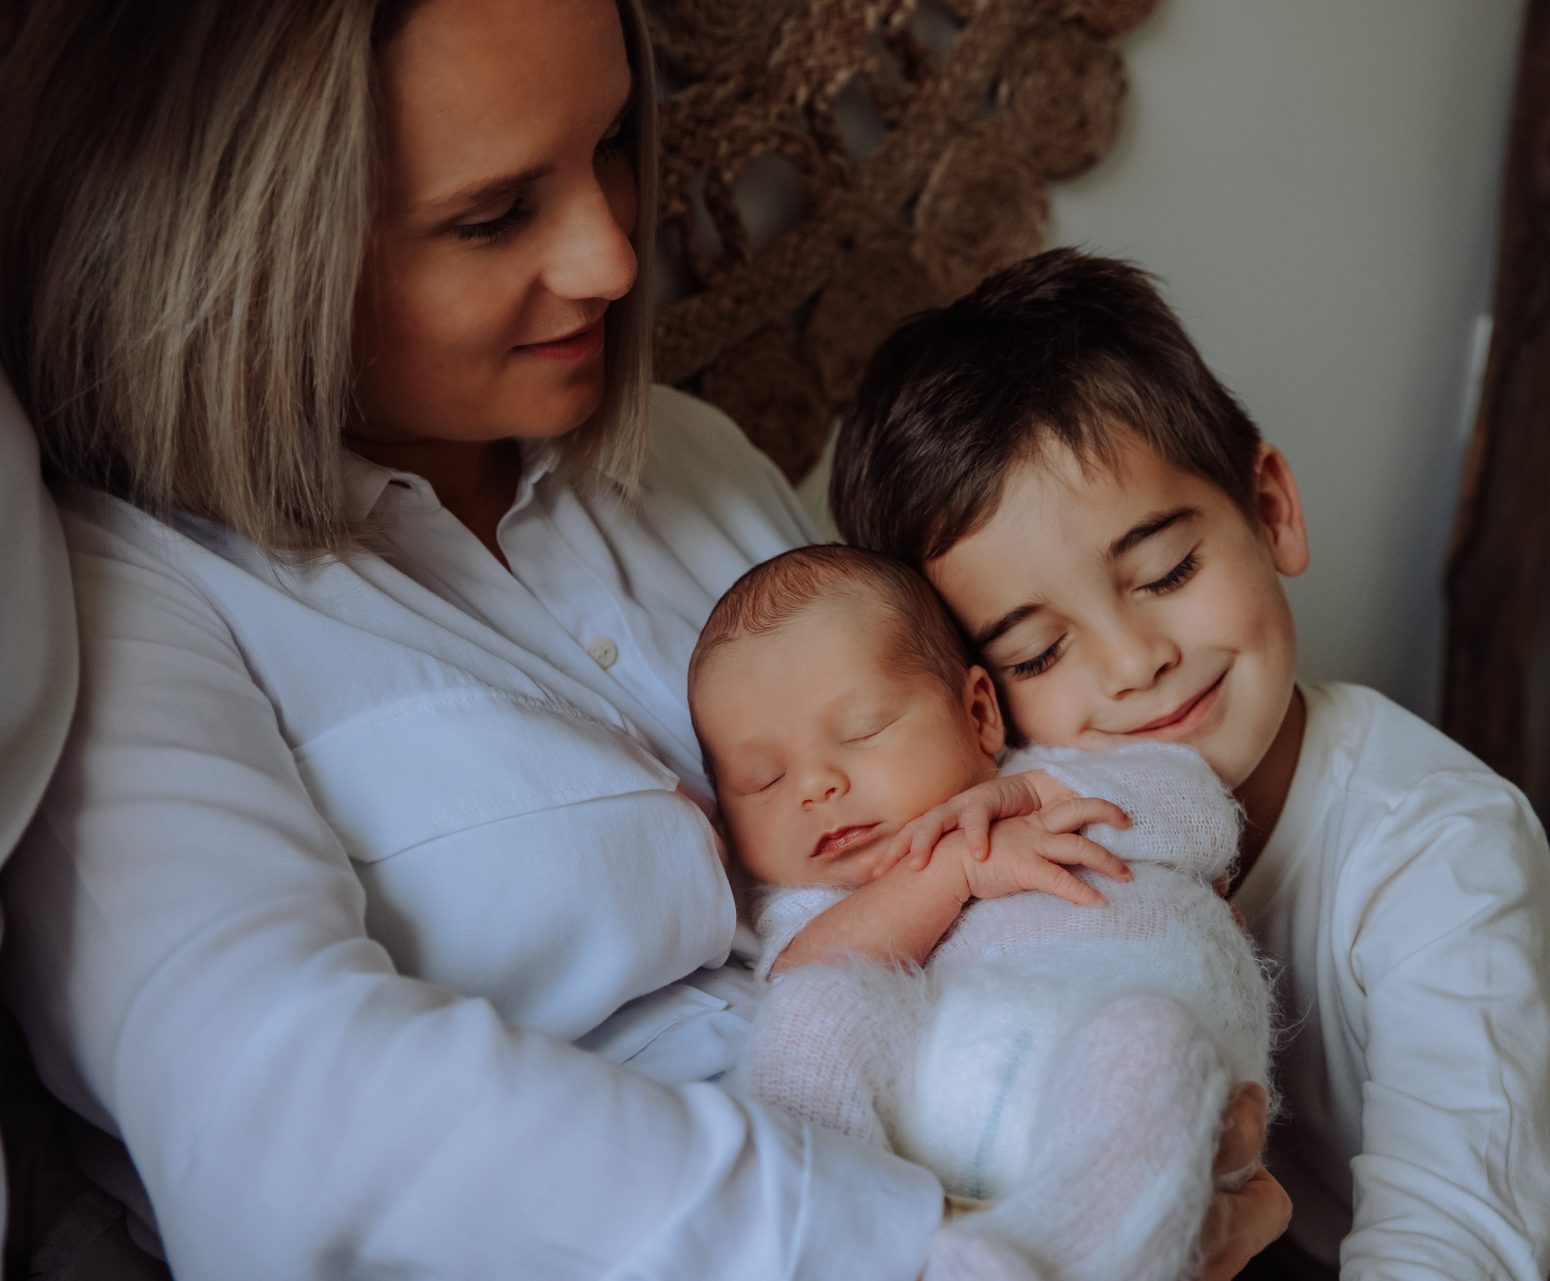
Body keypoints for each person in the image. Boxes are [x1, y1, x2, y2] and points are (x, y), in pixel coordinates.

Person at [0, 2, 1291, 1277]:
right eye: (493, 214)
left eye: (612, 142)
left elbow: (988, 761)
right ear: (248, 249)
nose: (616, 260)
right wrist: (927, 1248)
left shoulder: (692, 459)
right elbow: (285, 1104)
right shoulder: (136, 595)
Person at [829, 247, 1550, 1280]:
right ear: (978, 703)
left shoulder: (1437, 842)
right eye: (1038, 651)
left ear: (1270, 511)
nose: (1133, 662)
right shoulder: (1032, 860)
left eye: (1166, 572)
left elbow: (1454, 1241)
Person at [689, 544, 1276, 1281]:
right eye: (763, 779)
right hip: (923, 1121)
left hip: (1123, 1105)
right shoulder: (821, 899)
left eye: (863, 729)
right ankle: (838, 1242)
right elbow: (796, 978)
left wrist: (1037, 799)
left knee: (1151, 1041)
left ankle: (1043, 1258)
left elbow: (1203, 820)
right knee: (812, 1010)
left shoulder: (1055, 775)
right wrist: (952, 871)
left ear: (978, 714)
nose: (815, 786)